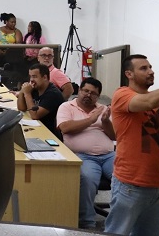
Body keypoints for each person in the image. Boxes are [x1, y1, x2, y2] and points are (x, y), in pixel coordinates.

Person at [104, 54, 159, 236]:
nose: (151, 71)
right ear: (129, 74)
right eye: (143, 68)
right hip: (131, 184)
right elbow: (148, 102)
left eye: (150, 67)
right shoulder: (122, 95)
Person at [57, 77, 116, 229]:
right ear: (79, 90)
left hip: (109, 156)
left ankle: (118, 220)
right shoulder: (66, 106)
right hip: (83, 156)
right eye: (85, 91)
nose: (88, 95)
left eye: (93, 93)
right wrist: (91, 120)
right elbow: (65, 128)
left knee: (124, 178)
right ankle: (87, 223)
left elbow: (114, 136)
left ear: (98, 96)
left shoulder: (103, 109)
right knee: (88, 179)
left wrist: (106, 122)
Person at [16, 63, 65, 138]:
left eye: (34, 77)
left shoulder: (53, 94)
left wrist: (27, 93)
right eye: (30, 76)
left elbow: (35, 115)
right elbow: (21, 108)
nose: (31, 80)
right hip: (37, 128)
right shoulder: (35, 88)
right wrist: (22, 91)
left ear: (45, 77)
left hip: (50, 134)